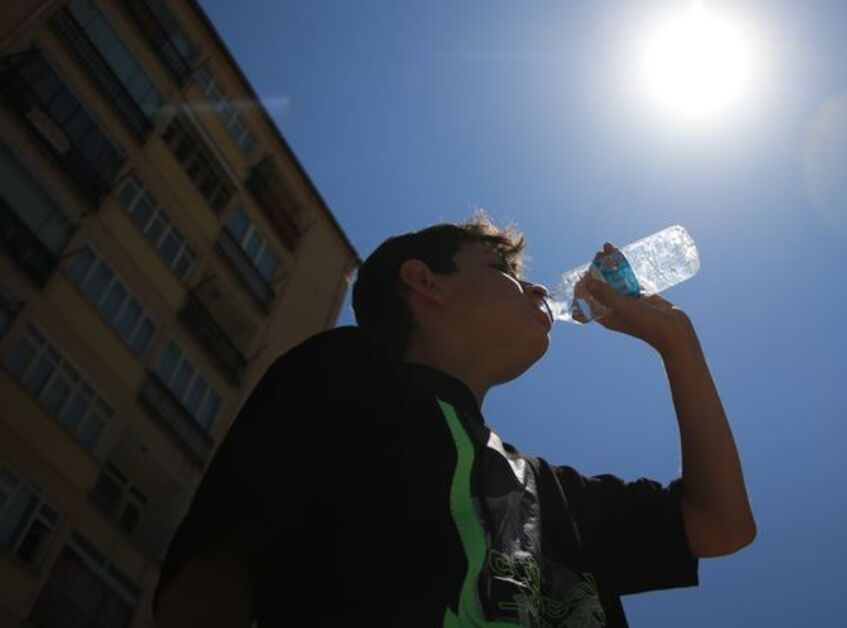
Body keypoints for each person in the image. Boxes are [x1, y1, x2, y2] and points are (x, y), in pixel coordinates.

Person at [152, 211, 755, 627]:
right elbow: (216, 572)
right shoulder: (349, 373)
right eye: (505, 273)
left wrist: (677, 342)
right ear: (424, 282)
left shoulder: (547, 493)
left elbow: (720, 525)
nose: (540, 288)